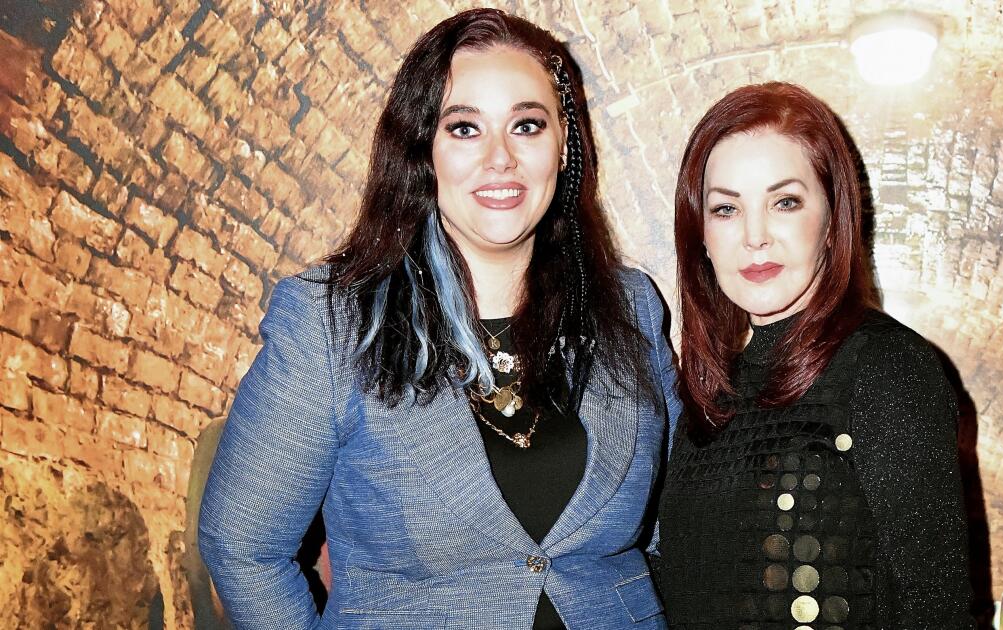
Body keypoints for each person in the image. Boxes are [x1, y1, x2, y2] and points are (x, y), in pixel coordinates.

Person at [199, 9, 678, 629]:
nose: (500, 158)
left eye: (527, 125)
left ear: (564, 145)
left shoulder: (631, 307)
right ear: (422, 148)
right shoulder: (330, 321)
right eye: (464, 128)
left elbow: (676, 526)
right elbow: (242, 545)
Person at [649, 83, 974, 628]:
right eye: (726, 208)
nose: (755, 236)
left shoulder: (887, 368)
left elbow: (936, 610)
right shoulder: (711, 396)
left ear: (831, 219)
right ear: (700, 235)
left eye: (785, 202)